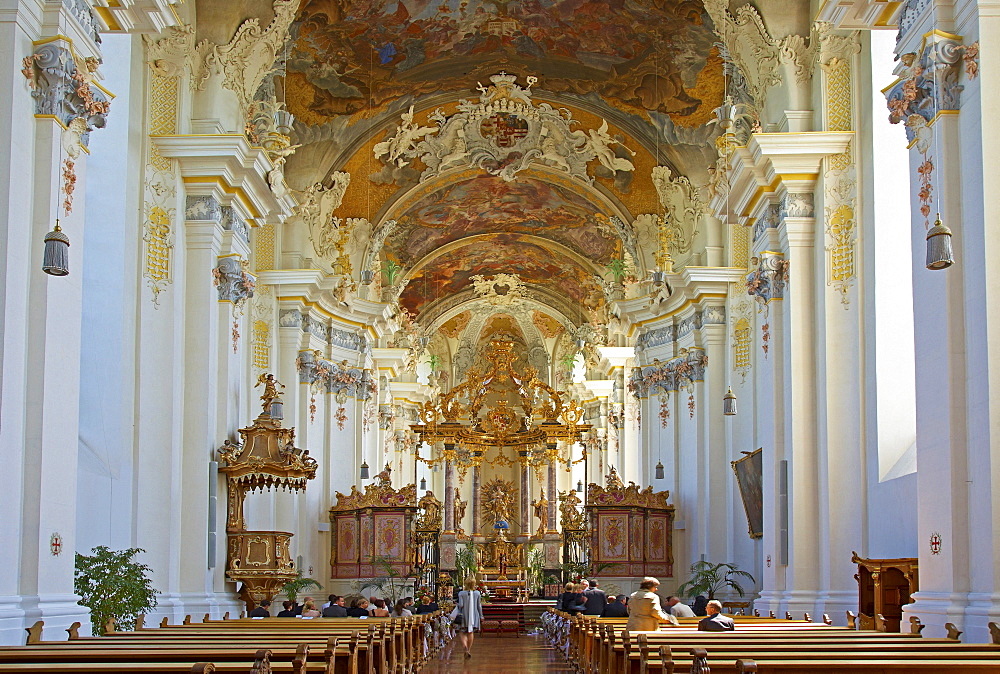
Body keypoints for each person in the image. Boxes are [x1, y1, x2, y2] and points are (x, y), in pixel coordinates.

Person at [456, 576, 484, 658]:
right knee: (470, 632)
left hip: (464, 614)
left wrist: (456, 604)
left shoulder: (461, 593)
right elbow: (479, 605)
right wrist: (481, 615)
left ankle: (464, 646)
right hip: (474, 615)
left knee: (462, 631)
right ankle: (468, 649)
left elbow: (461, 605)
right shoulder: (477, 593)